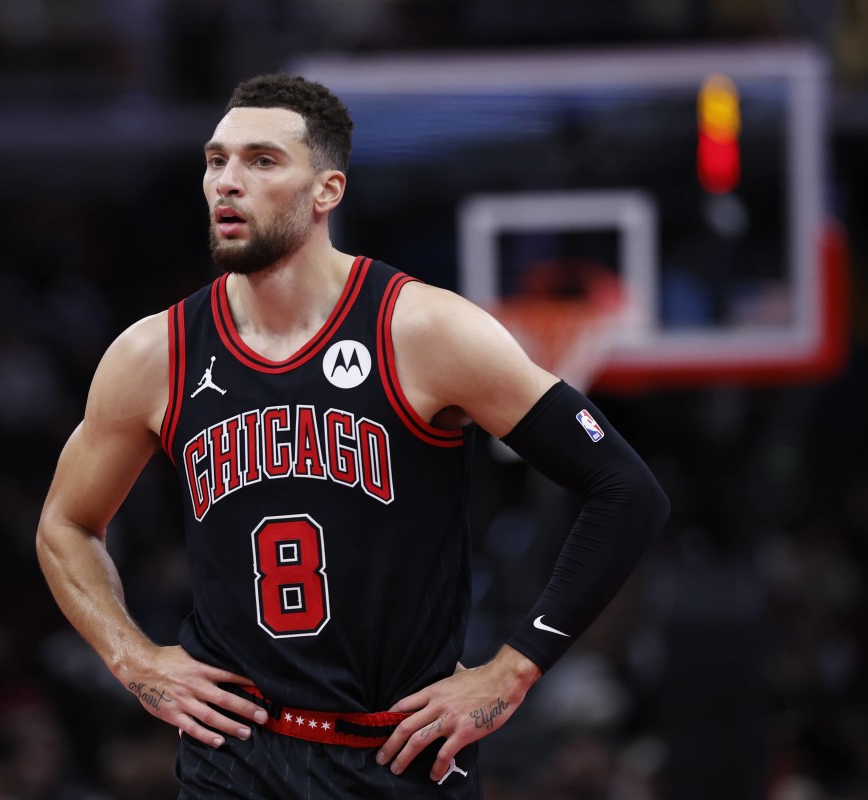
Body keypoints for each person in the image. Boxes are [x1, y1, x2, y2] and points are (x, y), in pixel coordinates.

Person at [35, 73, 670, 798]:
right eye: (217, 160)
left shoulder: (424, 330)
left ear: (326, 191)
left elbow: (626, 490)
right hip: (235, 758)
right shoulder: (155, 355)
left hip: (396, 754)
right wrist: (133, 659)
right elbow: (66, 524)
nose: (227, 183)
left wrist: (513, 666)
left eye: (261, 161)